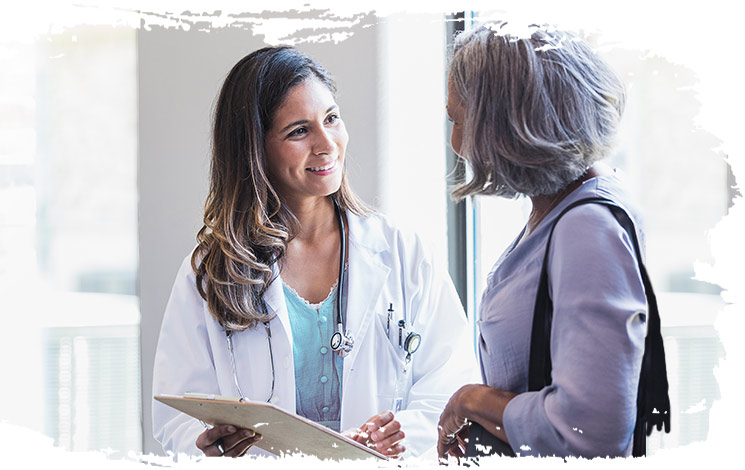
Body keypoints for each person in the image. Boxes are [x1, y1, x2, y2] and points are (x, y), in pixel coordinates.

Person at [152, 46, 478, 459]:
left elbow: (450, 389)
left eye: (331, 119)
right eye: (299, 131)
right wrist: (210, 445)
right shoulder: (209, 272)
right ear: (256, 148)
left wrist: (398, 434)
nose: (327, 144)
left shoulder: (404, 254)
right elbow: (178, 416)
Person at [437, 24, 650, 459]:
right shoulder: (563, 208)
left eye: (457, 121)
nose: (456, 143)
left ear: (506, 128)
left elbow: (590, 431)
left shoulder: (587, 228)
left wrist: (473, 403)